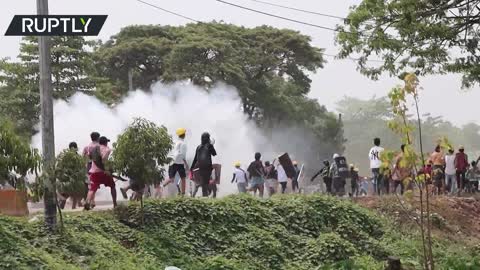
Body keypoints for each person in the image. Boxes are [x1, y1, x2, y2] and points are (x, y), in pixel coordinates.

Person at [84, 136, 117, 210]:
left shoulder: (94, 149)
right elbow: (104, 159)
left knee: (92, 189)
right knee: (112, 186)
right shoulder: (107, 149)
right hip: (104, 172)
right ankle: (115, 204)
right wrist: (107, 169)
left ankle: (87, 201)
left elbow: (89, 157)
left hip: (94, 172)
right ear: (105, 142)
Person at [162, 128, 189, 196]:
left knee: (171, 179)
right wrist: (186, 164)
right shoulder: (183, 143)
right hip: (179, 163)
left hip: (172, 162)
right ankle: (183, 194)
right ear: (184, 135)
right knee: (183, 178)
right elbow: (183, 155)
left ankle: (162, 186)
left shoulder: (175, 142)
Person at [190, 132, 217, 197]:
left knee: (204, 182)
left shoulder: (198, 147)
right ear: (208, 138)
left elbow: (195, 159)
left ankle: (205, 195)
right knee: (206, 182)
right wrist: (211, 145)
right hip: (208, 167)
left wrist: (191, 168)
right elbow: (214, 154)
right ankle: (206, 195)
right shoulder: (209, 145)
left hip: (200, 167)